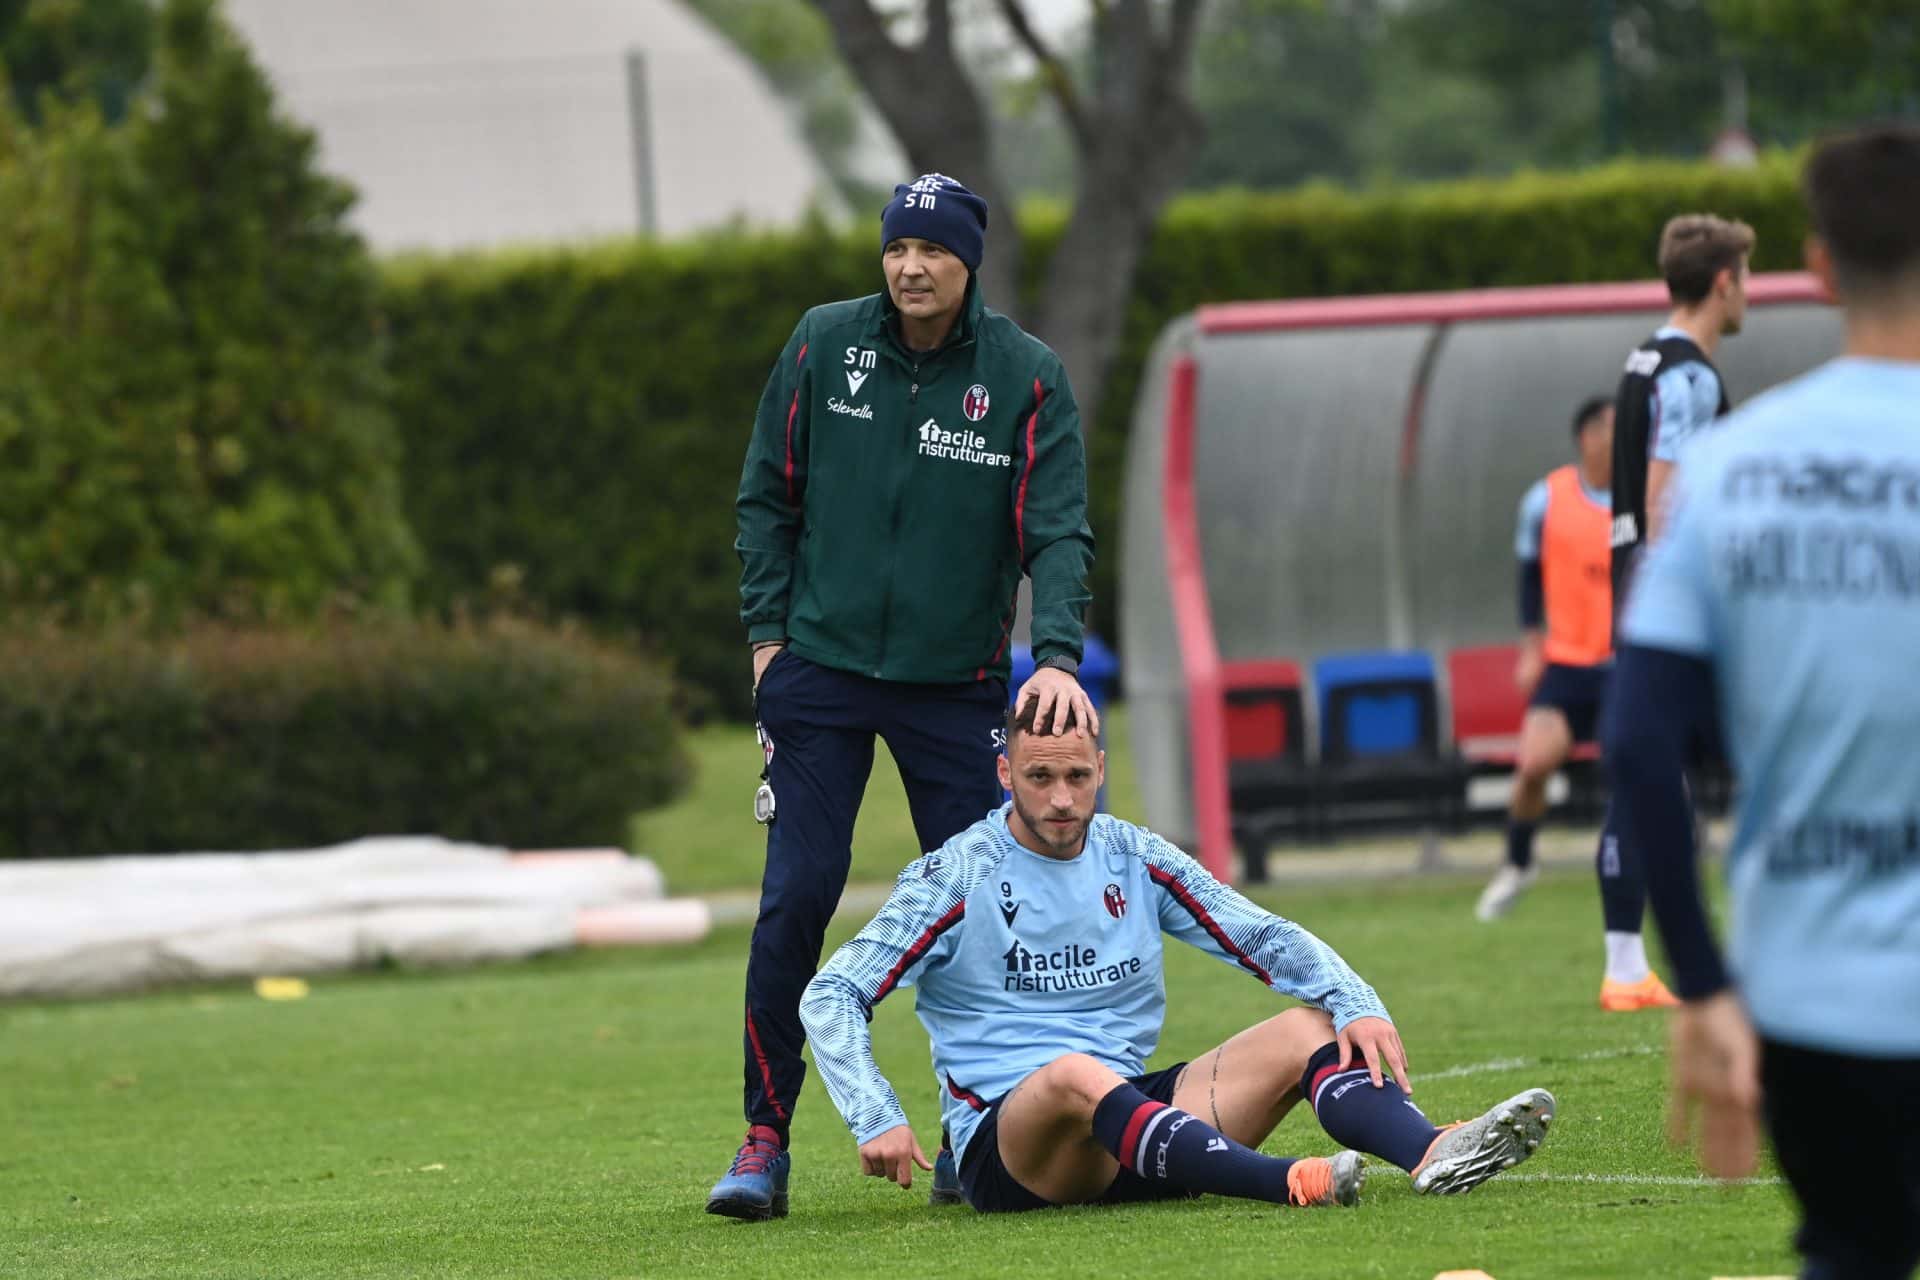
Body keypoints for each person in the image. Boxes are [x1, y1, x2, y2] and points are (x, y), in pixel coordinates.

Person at [711, 173, 1100, 1220]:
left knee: (977, 908)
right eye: (896, 249)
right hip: (821, 675)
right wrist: (767, 637)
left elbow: (1057, 529)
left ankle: (977, 1136)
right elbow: (766, 495)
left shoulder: (1025, 376)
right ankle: (762, 1138)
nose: (911, 266)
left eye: (932, 250)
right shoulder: (822, 344)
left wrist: (1053, 654)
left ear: (968, 261)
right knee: (796, 896)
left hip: (955, 684)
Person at [798, 697, 1557, 1215]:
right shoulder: (957, 875)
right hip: (1016, 1154)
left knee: (1304, 1029)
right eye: (1039, 778)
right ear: (1005, 776)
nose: (1061, 798)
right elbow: (832, 993)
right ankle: (1288, 1182)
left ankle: (1431, 1152)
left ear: (1100, 768)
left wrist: (1353, 997)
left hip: (1138, 1135)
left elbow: (1257, 933)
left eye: (1077, 776)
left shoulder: (1134, 855)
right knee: (1070, 1073)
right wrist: (875, 1114)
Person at [1607, 122, 1920, 1280]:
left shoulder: (1742, 464)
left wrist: (1701, 974)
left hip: (1808, 986)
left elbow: (1639, 742)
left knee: (1850, 1253)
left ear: (1821, 267)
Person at [1596, 211, 1754, 1012]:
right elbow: (1666, 497)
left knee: (1659, 763)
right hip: (1665, 588)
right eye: (1746, 276)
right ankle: (1631, 966)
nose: (1747, 292)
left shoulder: (1642, 359)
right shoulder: (1688, 373)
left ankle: (1629, 963)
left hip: (1633, 578)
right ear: (1724, 281)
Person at [1476, 395, 1616, 921]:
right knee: (1533, 764)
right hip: (1567, 663)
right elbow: (1528, 578)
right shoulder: (1546, 499)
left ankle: (1652, 867)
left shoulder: (1645, 494)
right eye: (1614, 428)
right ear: (1588, 437)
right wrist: (1531, 647)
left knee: (1642, 769)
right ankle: (1517, 862)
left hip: (1624, 665)